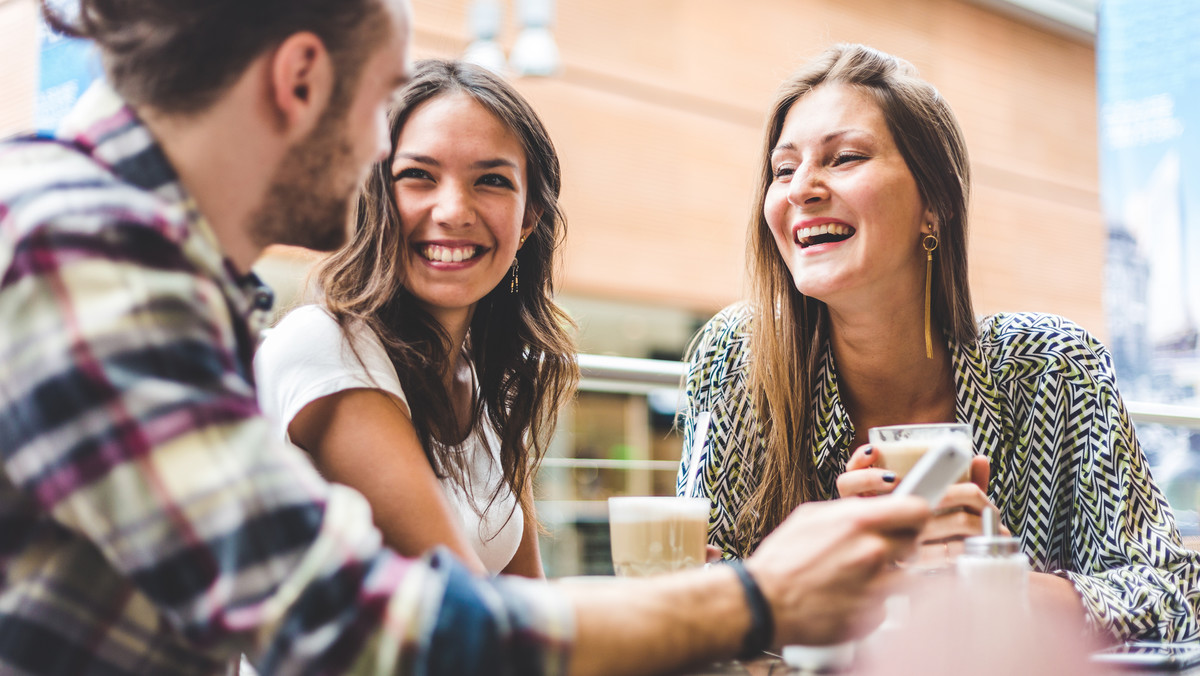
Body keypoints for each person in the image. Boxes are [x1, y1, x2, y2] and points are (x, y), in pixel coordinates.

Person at [0, 2, 933, 673]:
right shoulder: (84, 254)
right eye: (380, 119)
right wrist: (756, 599)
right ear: (299, 81)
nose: (379, 162)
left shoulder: (143, 258)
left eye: (491, 181)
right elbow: (357, 628)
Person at [678, 42, 1200, 643]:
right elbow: (696, 588)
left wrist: (999, 582)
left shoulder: (1054, 368)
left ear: (936, 203)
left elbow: (1176, 593)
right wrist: (823, 569)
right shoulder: (734, 358)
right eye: (783, 169)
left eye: (844, 157)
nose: (802, 189)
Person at [254, 60, 574, 579]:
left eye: (491, 180)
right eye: (417, 176)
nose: (453, 210)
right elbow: (474, 618)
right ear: (373, 194)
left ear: (529, 219)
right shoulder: (328, 349)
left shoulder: (488, 381)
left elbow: (525, 603)